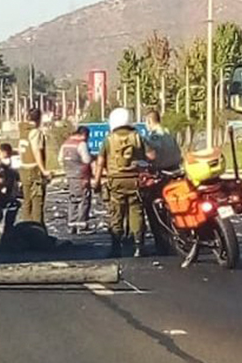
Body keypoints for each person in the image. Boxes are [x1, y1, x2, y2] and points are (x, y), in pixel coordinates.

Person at [92, 107, 151, 257]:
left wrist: (96, 182)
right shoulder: (137, 137)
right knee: (136, 211)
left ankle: (116, 247)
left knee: (116, 213)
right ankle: (139, 246)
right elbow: (150, 156)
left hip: (116, 181)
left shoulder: (109, 139)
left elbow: (100, 162)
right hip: (135, 180)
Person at [141, 109, 180, 254]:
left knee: (152, 208)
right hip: (175, 172)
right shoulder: (169, 134)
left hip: (161, 175)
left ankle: (162, 243)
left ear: (149, 121)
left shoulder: (153, 136)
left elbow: (151, 155)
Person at [58, 125, 93, 234]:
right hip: (81, 176)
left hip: (70, 175)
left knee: (73, 199)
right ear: (84, 134)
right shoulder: (81, 144)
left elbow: (60, 159)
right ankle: (81, 226)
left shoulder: (66, 143)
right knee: (84, 199)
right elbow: (87, 160)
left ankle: (71, 224)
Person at [17, 107, 49, 224]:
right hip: (34, 170)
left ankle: (26, 227)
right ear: (39, 119)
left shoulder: (22, 131)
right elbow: (36, 151)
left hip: (23, 168)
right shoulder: (35, 132)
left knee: (27, 201)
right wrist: (43, 170)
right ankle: (37, 228)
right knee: (37, 202)